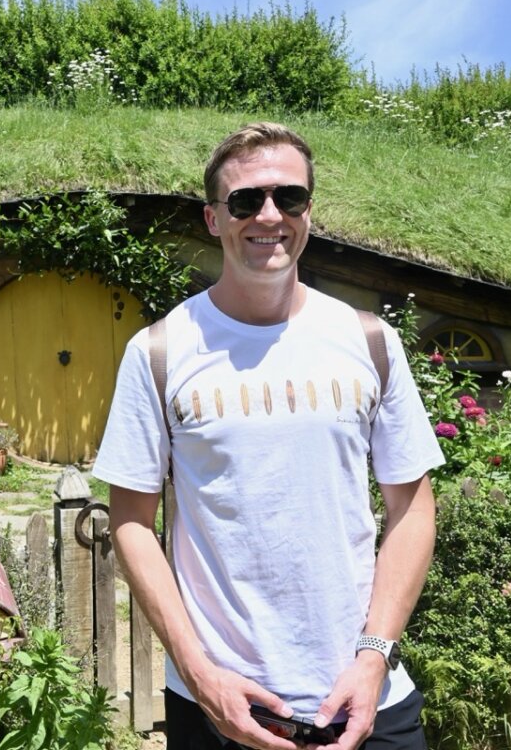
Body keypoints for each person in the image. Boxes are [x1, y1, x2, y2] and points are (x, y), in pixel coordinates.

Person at [93, 123, 444, 750]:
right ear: (213, 218)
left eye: (290, 196)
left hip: (367, 698)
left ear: (309, 211)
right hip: (223, 706)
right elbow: (131, 523)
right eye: (245, 200)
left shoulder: (368, 340)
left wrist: (374, 656)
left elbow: (412, 509)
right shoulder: (159, 352)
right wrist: (200, 675)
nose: (269, 215)